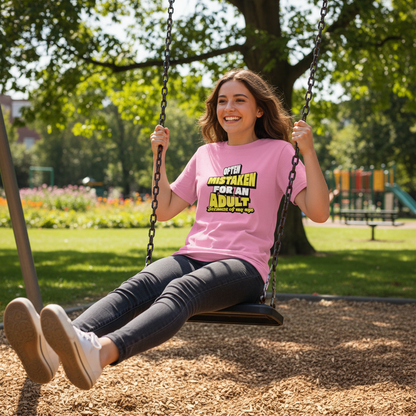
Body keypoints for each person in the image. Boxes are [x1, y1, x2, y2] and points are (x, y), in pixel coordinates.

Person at [4, 69, 330, 390]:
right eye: (222, 101)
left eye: (240, 100)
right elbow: (165, 209)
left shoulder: (278, 151)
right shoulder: (206, 154)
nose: (229, 108)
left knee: (181, 291)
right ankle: (53, 351)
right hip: (192, 253)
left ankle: (100, 353)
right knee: (139, 284)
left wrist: (309, 152)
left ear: (259, 109)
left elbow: (317, 212)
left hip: (243, 265)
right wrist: (158, 159)